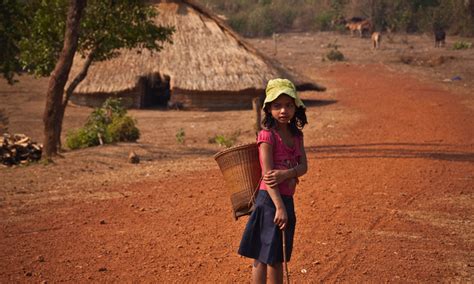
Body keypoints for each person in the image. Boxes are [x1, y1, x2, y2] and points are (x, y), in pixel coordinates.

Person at [238, 78, 308, 283]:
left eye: (288, 105)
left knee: (276, 255)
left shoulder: (297, 136)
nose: (283, 111)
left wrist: (286, 174)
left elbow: (304, 167)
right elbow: (268, 176)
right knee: (265, 257)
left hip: (286, 200)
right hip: (269, 201)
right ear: (268, 109)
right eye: (277, 106)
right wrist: (279, 208)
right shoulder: (267, 136)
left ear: (296, 107)